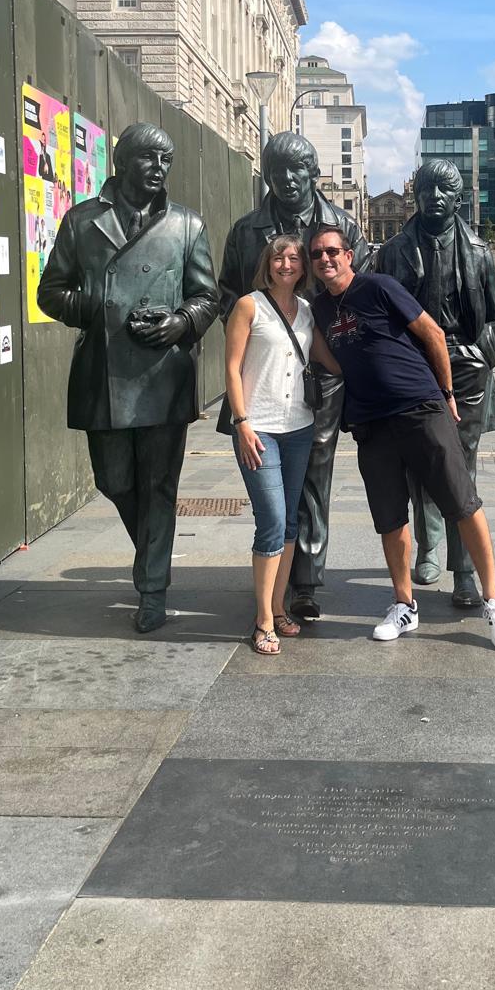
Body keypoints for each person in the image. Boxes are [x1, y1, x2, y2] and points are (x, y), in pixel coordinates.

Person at [37, 122, 219, 633]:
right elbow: (50, 292)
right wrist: (95, 305)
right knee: (114, 480)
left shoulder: (185, 225)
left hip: (163, 374)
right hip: (105, 373)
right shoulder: (82, 222)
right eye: (148, 158)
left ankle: (152, 588)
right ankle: (152, 555)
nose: (159, 169)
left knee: (159, 486)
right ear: (121, 162)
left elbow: (207, 297)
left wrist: (180, 322)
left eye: (166, 161)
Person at [308, 223, 495, 651]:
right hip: (371, 423)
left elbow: (433, 334)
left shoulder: (379, 287)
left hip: (420, 409)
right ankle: (405, 604)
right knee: (390, 518)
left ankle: (494, 600)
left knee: (462, 502)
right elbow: (330, 357)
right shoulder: (319, 310)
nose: (325, 259)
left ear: (348, 255)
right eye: (317, 254)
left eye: (332, 251)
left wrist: (446, 394)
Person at [218, 131, 368, 623]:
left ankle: (304, 583)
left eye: (295, 170)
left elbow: (359, 295)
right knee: (276, 500)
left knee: (314, 483)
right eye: (276, 170)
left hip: (321, 379)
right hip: (262, 383)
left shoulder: (342, 226)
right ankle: (274, 592)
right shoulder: (245, 231)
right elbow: (225, 294)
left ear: (312, 173)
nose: (285, 179)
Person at [373, 159, 495, 608]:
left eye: (444, 191)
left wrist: (481, 354)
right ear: (417, 194)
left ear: (459, 198)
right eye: (427, 189)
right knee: (418, 463)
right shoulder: (393, 251)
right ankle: (429, 548)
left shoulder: (479, 251)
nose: (435, 198)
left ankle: (464, 571)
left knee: (460, 471)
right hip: (414, 367)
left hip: (465, 365)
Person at [224, 235, 321, 655]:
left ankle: (279, 608)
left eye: (294, 258)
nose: (286, 264)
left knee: (289, 525)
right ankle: (263, 619)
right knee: (272, 520)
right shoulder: (249, 305)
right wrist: (241, 422)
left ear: (303, 267)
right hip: (258, 427)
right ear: (268, 262)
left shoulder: (307, 312)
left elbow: (323, 358)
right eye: (279, 257)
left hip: (298, 426)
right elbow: (230, 367)